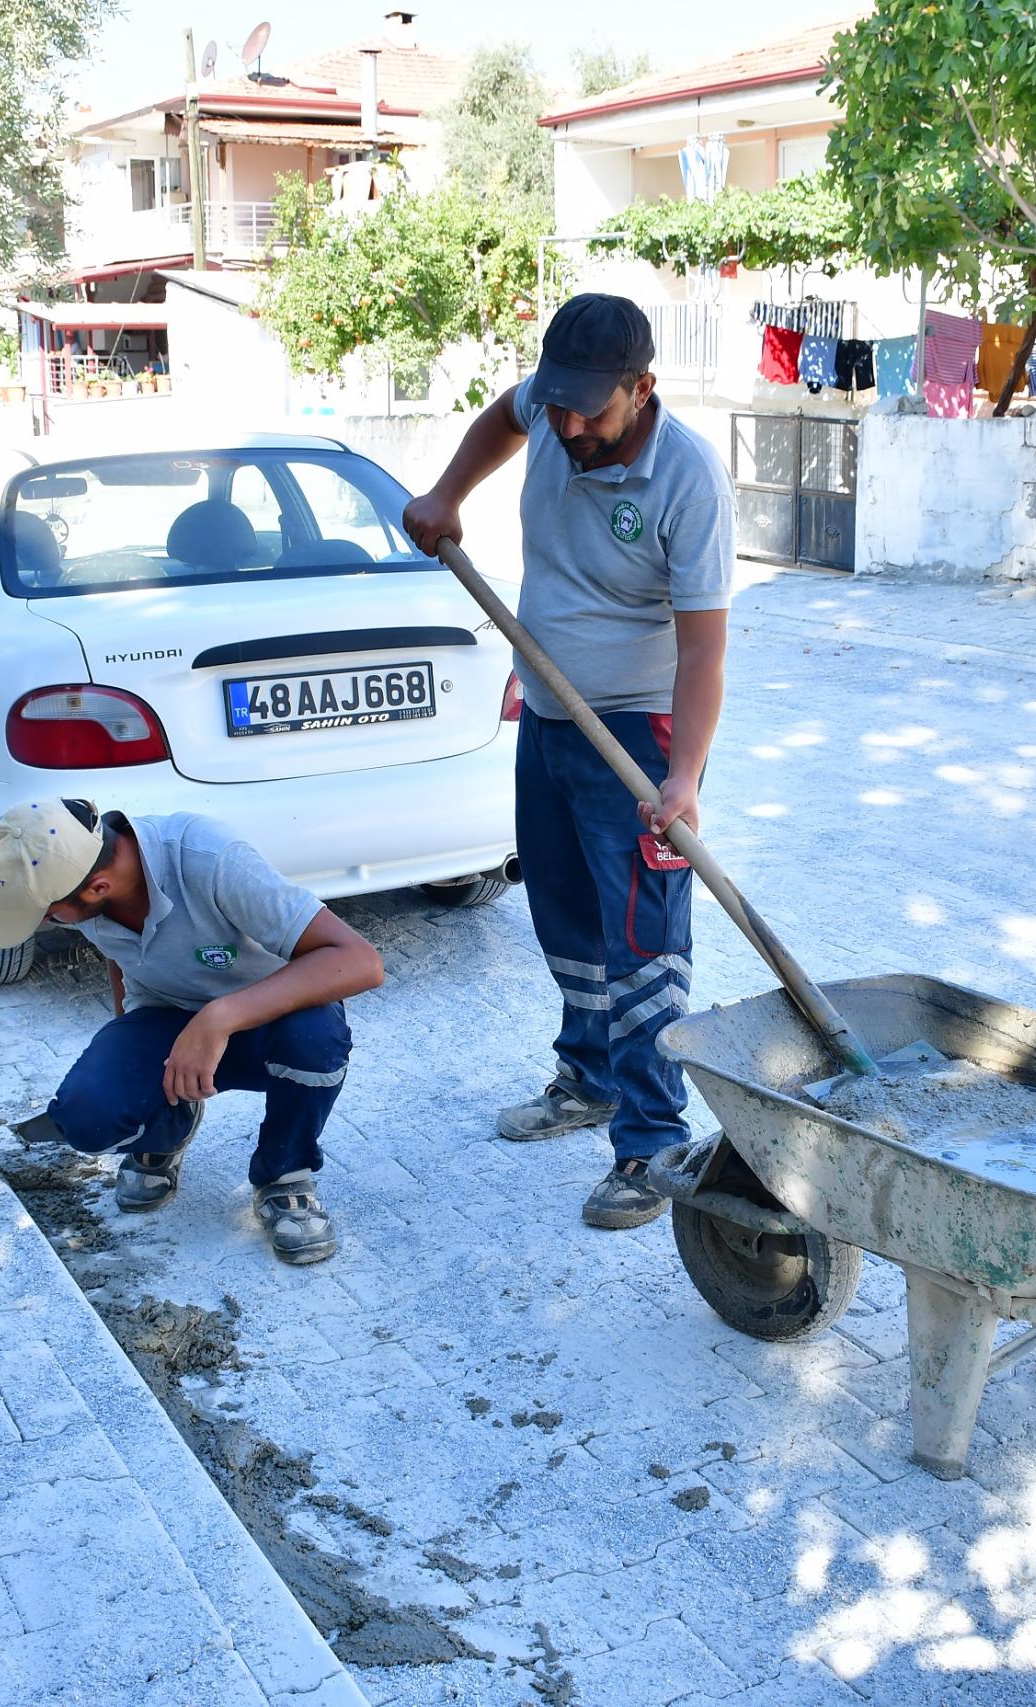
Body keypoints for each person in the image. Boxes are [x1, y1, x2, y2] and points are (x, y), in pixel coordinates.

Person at [401, 293, 735, 1231]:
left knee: (642, 943)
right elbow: (500, 419)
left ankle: (651, 1139)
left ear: (643, 389)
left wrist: (684, 779)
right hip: (548, 717)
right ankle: (587, 1077)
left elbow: (705, 651)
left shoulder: (688, 481)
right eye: (560, 405)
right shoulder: (549, 411)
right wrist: (445, 495)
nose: (569, 425)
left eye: (591, 408)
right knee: (565, 920)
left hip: (640, 734)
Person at [0, 798, 384, 1264]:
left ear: (98, 887)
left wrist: (218, 1018)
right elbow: (122, 954)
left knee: (316, 1039)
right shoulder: (78, 874)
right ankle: (166, 1129)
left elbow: (360, 962)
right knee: (88, 1119)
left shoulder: (209, 859)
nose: (49, 923)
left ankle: (284, 1175)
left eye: (49, 915)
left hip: (269, 1020)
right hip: (167, 1018)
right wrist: (136, 1076)